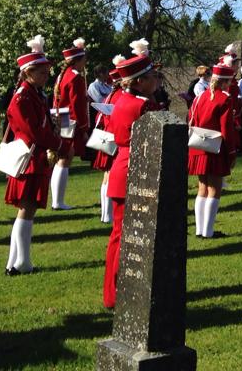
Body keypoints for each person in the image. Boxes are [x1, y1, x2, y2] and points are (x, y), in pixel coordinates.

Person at [103, 47, 161, 307]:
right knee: (131, 234)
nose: (156, 81)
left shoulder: (119, 100)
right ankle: (122, 290)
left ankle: (113, 291)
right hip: (135, 168)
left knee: (118, 234)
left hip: (119, 168)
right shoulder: (143, 104)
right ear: (140, 81)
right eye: (152, 77)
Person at [3, 35, 62, 275]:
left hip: (35, 157)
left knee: (28, 211)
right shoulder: (22, 98)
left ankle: (15, 263)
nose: (46, 77)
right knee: (26, 210)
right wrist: (57, 142)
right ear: (28, 72)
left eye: (47, 72)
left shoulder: (35, 94)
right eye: (42, 73)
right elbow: (32, 131)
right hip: (28, 158)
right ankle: (22, 262)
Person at [188, 63, 238, 239]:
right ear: (224, 83)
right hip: (215, 147)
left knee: (202, 188)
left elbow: (191, 119)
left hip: (198, 146)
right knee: (215, 189)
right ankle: (208, 232)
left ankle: (200, 231)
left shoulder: (199, 97)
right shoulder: (224, 98)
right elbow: (226, 130)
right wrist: (231, 152)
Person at [50, 37, 90, 211]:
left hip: (59, 117)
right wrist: (83, 127)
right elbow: (77, 105)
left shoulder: (62, 76)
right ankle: (58, 201)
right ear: (79, 60)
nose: (85, 64)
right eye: (84, 60)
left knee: (62, 159)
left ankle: (56, 200)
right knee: (65, 159)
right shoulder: (75, 78)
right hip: (69, 119)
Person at [92, 59, 124, 224]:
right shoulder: (120, 96)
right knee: (111, 176)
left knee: (107, 176)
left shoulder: (111, 95)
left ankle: (106, 214)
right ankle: (108, 214)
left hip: (107, 136)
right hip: (115, 138)